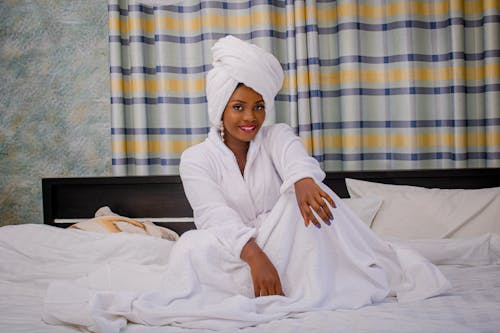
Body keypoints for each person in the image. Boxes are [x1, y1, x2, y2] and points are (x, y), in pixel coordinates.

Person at [43, 36, 450, 333]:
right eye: (238, 107)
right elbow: (213, 216)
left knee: (304, 200)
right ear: (220, 109)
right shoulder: (196, 159)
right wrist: (255, 256)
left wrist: (304, 180)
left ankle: (298, 280)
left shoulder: (276, 136)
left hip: (291, 243)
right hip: (233, 251)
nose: (250, 117)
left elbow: (295, 156)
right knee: (192, 246)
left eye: (258, 106)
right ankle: (264, 280)